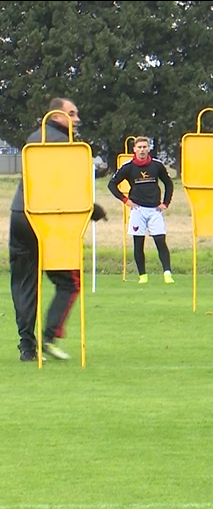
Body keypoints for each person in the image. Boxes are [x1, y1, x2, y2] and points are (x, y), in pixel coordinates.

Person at [9, 97, 108, 362]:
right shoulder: (63, 143)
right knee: (68, 281)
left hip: (20, 213)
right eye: (72, 114)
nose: (77, 119)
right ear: (56, 115)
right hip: (47, 219)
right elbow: (64, 185)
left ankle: (27, 346)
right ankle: (49, 336)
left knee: (24, 283)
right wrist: (92, 209)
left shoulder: (34, 137)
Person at [107, 135, 175, 284]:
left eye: (145, 147)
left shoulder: (157, 165)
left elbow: (169, 184)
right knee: (138, 243)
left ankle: (167, 273)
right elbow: (112, 184)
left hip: (155, 210)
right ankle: (142, 276)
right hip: (138, 210)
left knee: (160, 241)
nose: (142, 150)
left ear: (148, 148)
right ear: (134, 149)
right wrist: (126, 200)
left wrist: (165, 203)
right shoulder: (128, 167)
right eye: (139, 147)